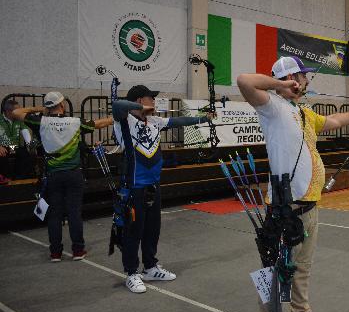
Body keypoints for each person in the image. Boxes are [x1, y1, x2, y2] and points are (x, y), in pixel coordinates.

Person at [237, 56, 349, 312]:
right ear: (292, 79)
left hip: (310, 205)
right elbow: (244, 81)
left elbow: (334, 121)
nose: (307, 80)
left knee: (302, 268)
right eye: (302, 76)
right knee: (276, 270)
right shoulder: (272, 107)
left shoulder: (303, 113)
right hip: (285, 206)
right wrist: (280, 85)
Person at [112, 85, 213, 294]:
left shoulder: (154, 121)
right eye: (150, 98)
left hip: (153, 186)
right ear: (139, 100)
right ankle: (131, 273)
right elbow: (117, 105)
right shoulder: (124, 120)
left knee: (152, 229)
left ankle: (150, 267)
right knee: (133, 231)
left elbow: (179, 121)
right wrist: (141, 109)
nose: (154, 101)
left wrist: (204, 118)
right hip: (134, 188)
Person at [11, 92, 112, 261]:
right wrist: (117, 117)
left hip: (53, 176)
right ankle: (78, 250)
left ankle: (55, 253)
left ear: (48, 106)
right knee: (74, 213)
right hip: (73, 174)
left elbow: (16, 112)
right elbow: (100, 123)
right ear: (62, 105)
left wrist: (39, 108)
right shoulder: (75, 122)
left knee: (55, 214)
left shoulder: (40, 121)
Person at [0, 99, 33, 182]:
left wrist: (30, 144)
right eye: (17, 111)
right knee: (2, 156)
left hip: (13, 147)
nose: (20, 113)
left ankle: (20, 179)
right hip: (2, 147)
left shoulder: (18, 119)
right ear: (8, 111)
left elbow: (25, 131)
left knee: (26, 154)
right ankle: (6, 178)